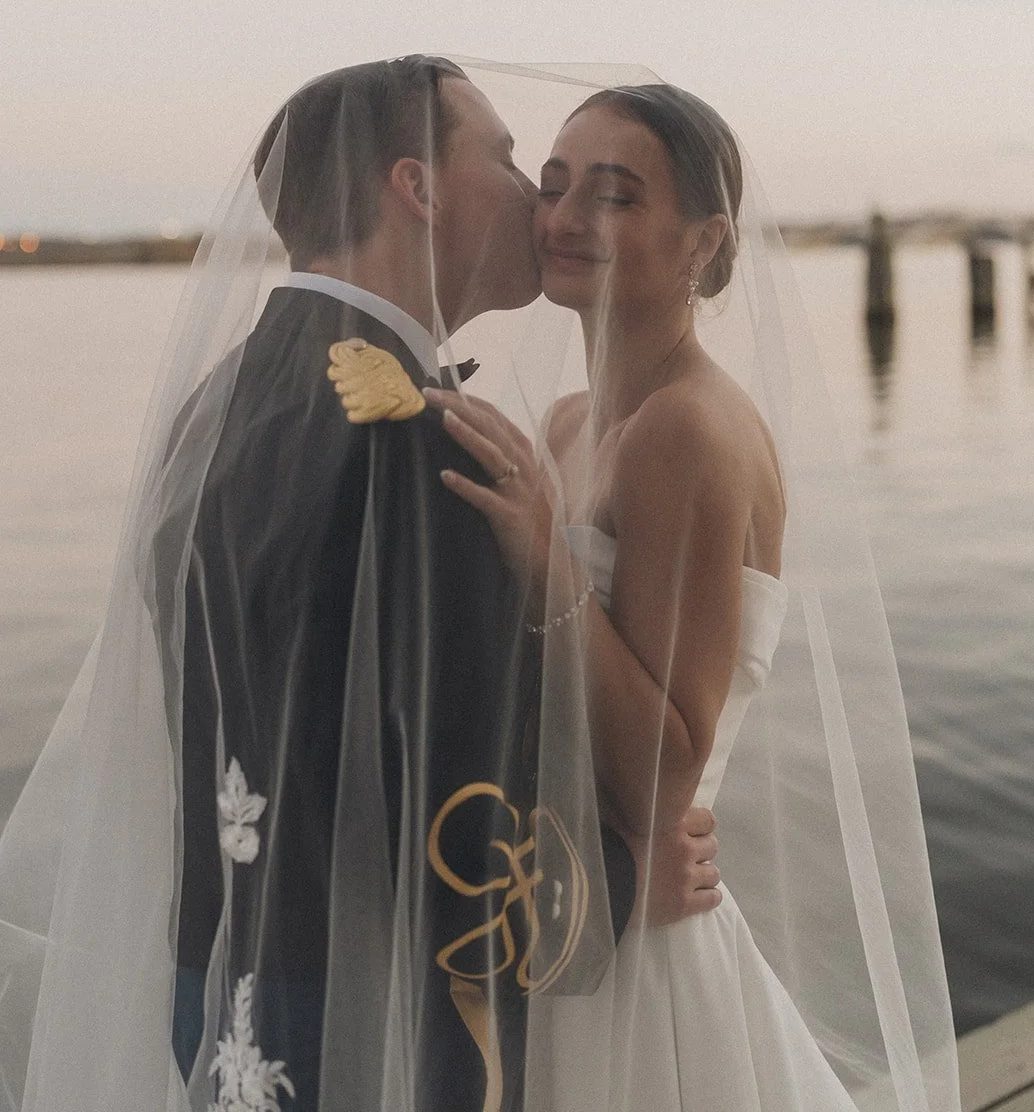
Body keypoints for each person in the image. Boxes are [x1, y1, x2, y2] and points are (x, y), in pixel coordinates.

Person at [0, 58, 719, 1112]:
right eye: (510, 158)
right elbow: (456, 793)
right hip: (372, 1023)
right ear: (417, 188)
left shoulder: (222, 398)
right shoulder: (427, 450)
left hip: (221, 984)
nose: (535, 197)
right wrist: (612, 890)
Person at [425, 81, 962, 1112]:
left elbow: (666, 774)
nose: (566, 217)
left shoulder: (689, 432)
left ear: (703, 244)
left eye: (617, 196)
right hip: (580, 914)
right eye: (552, 184)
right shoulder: (573, 424)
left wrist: (545, 549)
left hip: (642, 957)